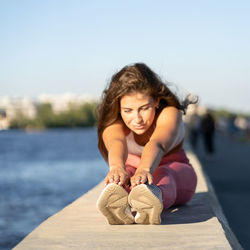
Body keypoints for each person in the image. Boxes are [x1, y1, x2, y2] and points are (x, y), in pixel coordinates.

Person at [96, 63, 197, 225]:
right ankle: (119, 204)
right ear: (118, 107)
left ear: (156, 101)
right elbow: (116, 143)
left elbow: (157, 143)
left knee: (163, 173)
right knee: (126, 172)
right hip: (135, 174)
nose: (137, 119)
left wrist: (144, 169)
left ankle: (153, 198)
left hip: (176, 172)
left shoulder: (169, 113)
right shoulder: (114, 123)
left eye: (144, 108)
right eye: (127, 111)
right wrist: (117, 169)